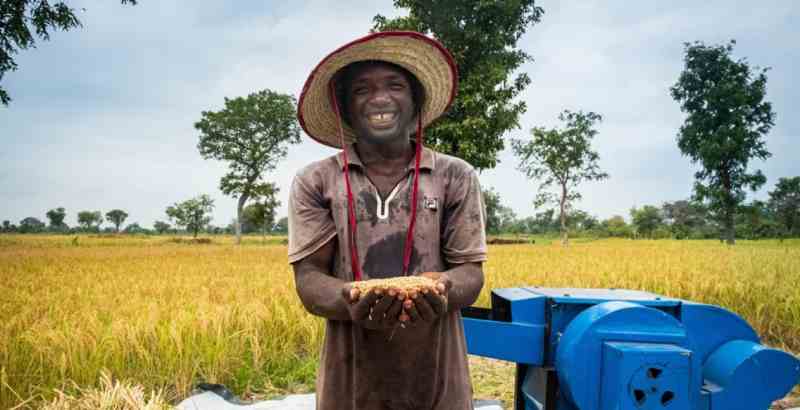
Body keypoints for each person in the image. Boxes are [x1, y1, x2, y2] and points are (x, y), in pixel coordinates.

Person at [289, 31, 487, 410]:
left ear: (415, 104)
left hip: (438, 381)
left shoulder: (454, 176)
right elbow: (309, 278)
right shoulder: (317, 180)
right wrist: (349, 299)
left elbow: (470, 272)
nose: (379, 98)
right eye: (361, 90)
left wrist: (443, 289)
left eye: (395, 86)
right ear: (345, 110)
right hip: (349, 383)